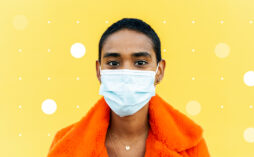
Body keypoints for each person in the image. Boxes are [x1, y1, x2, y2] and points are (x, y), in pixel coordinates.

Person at [47, 18, 210, 157]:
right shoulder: (65, 145)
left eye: (140, 63)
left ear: (159, 71)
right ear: (99, 71)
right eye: (113, 63)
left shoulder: (191, 146)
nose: (126, 73)